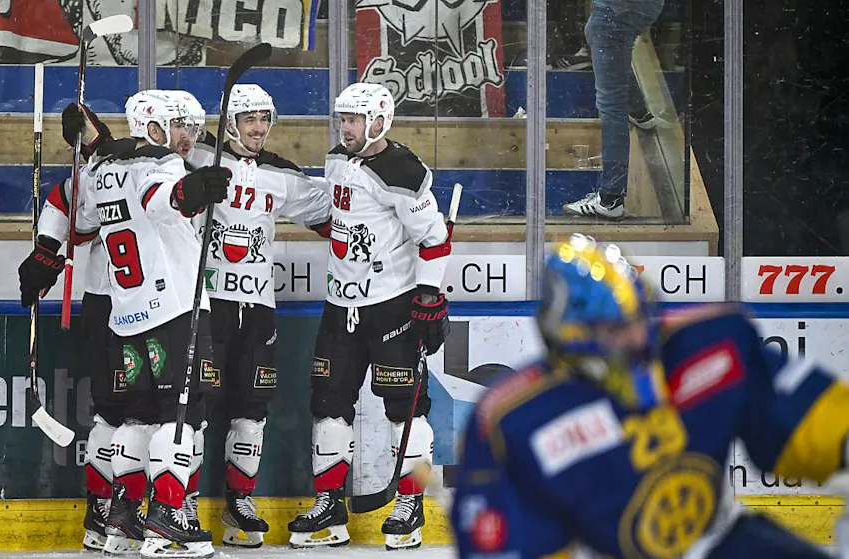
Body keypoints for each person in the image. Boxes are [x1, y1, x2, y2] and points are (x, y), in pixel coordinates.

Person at [450, 233, 849, 559]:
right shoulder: (512, 422)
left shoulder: (710, 343)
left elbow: (809, 423)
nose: (637, 339)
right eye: (613, 329)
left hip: (726, 543)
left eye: (639, 319)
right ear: (566, 338)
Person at [286, 82, 451, 550]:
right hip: (341, 305)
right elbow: (338, 215)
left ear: (380, 121)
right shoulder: (338, 157)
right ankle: (329, 508)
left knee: (405, 409)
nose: (347, 127)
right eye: (343, 119)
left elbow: (434, 238)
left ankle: (410, 506)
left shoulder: (403, 168)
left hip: (391, 304)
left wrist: (427, 295)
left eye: (355, 119)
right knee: (328, 405)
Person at [80, 89, 231, 559]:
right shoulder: (159, 163)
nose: (189, 136)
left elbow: (84, 217)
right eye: (179, 125)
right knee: (180, 416)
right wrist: (190, 191)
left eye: (191, 126)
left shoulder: (101, 170)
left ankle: (123, 522)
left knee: (137, 416)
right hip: (175, 312)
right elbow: (160, 199)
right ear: (153, 126)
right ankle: (166, 521)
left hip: (127, 315)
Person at [183, 83, 332, 548]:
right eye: (250, 119)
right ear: (230, 122)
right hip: (207, 305)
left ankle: (239, 504)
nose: (259, 128)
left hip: (259, 307)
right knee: (193, 410)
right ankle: (179, 502)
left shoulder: (280, 174)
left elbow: (338, 209)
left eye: (265, 119)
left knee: (252, 410)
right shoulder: (197, 160)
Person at [16, 101, 119, 552]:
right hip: (108, 301)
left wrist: (101, 144)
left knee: (173, 414)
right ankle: (103, 510)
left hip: (169, 307)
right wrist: (46, 253)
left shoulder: (180, 165)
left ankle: (167, 506)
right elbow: (68, 204)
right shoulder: (97, 173)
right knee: (114, 411)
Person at [562, 0, 663, 219]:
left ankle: (610, 199)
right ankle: (639, 112)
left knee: (611, 105)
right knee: (607, 37)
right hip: (629, 9)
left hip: (618, 9)